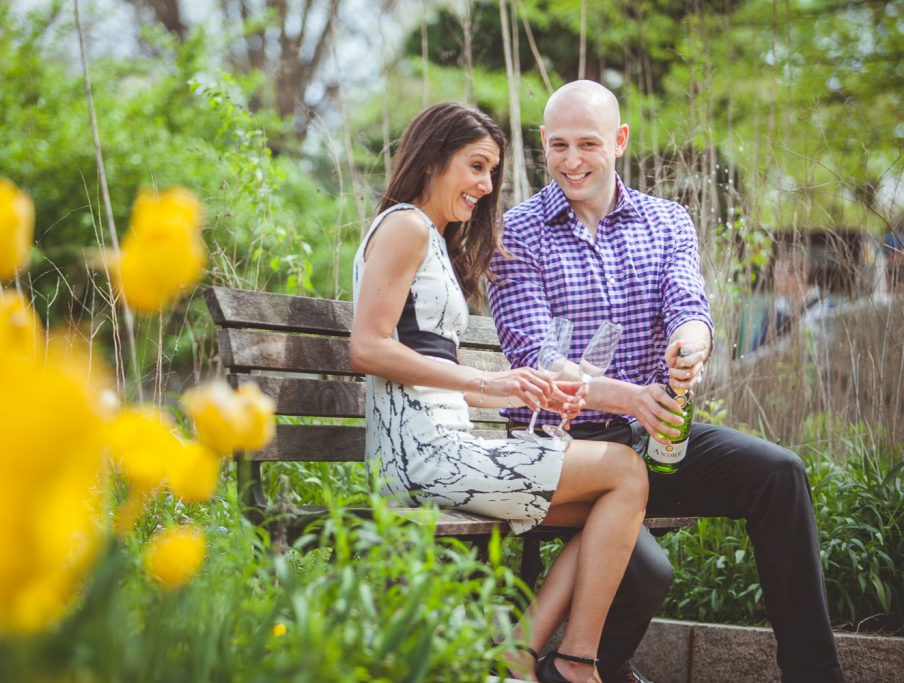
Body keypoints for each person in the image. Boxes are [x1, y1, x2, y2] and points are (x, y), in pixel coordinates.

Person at [488, 80, 845, 683]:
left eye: (588, 144)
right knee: (647, 571)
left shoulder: (666, 221)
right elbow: (534, 355)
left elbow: (690, 306)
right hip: (566, 454)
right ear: (543, 144)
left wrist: (691, 346)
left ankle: (815, 674)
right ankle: (576, 668)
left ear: (620, 141)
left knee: (779, 473)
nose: (572, 161)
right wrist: (629, 396)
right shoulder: (516, 233)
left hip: (657, 439)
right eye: (558, 146)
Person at [350, 102, 649, 683]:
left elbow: (439, 376)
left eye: (493, 173)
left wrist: (526, 390)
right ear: (435, 159)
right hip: (419, 457)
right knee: (626, 472)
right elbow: (367, 347)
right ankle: (572, 661)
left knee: (608, 508)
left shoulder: (434, 239)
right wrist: (490, 379)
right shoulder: (406, 226)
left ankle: (520, 651)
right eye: (477, 167)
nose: (487, 187)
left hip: (443, 443)